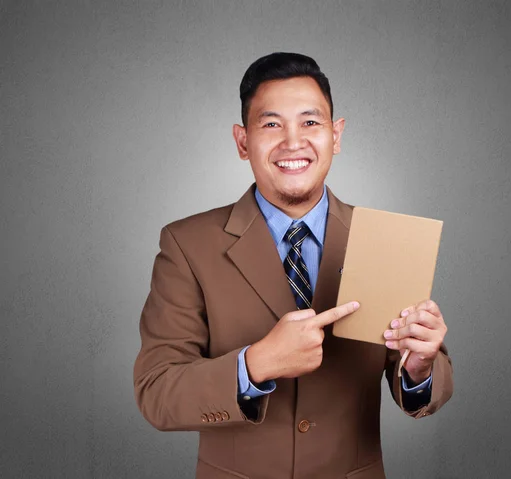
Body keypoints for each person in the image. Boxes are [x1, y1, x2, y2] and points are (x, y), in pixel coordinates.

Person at [134, 52, 453, 479]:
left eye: (310, 122)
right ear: (242, 141)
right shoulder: (187, 244)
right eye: (271, 124)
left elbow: (425, 380)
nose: (292, 142)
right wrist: (256, 364)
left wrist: (419, 367)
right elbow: (157, 393)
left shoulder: (383, 238)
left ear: (335, 136)